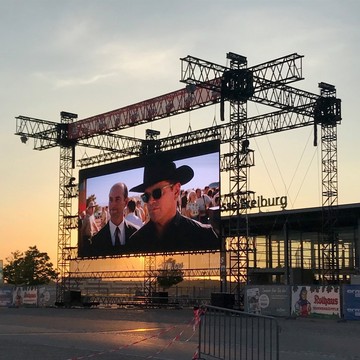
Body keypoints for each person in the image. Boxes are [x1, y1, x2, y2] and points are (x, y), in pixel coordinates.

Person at [128, 156, 220, 253]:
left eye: (157, 193)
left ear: (176, 191)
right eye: (146, 196)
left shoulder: (203, 237)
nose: (150, 201)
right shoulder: (136, 242)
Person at [91, 182, 139, 256]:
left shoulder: (136, 235)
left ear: (125, 202)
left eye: (117, 199)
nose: (113, 204)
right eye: (111, 199)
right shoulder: (97, 240)